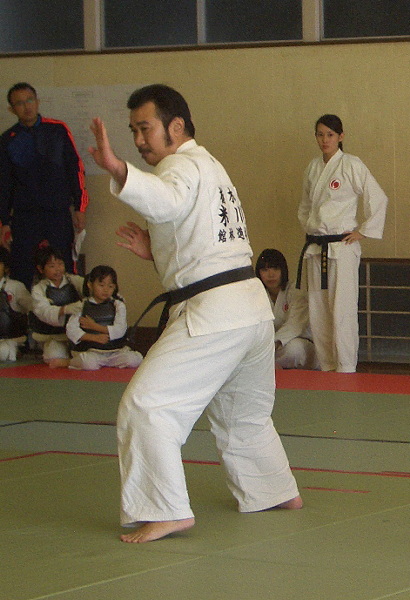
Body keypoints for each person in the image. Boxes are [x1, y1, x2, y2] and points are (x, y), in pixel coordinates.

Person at [88, 84, 301, 544]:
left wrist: (117, 168)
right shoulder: (210, 166)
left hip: (215, 313)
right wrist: (158, 252)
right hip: (250, 310)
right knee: (244, 414)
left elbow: (166, 201)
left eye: (145, 129)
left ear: (176, 126)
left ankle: (165, 509)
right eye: (133, 132)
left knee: (147, 405)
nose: (139, 140)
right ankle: (274, 490)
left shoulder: (180, 166)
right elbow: (198, 233)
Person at [297, 114, 388, 373]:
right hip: (316, 248)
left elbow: (378, 198)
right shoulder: (313, 168)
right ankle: (327, 365)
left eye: (330, 135)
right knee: (318, 310)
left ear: (341, 137)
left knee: (343, 310)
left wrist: (364, 231)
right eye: (320, 134)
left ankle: (346, 367)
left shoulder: (351, 165)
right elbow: (305, 207)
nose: (324, 140)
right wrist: (311, 229)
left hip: (342, 247)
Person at [0, 82, 89, 290]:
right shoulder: (7, 140)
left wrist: (80, 208)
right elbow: (3, 184)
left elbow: (75, 168)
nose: (27, 106)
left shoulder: (57, 130)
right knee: (22, 269)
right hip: (24, 216)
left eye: (30, 100)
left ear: (38, 102)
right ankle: (24, 320)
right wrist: (3, 222)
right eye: (20, 103)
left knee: (63, 267)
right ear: (12, 109)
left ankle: (68, 317)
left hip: (57, 212)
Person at [65, 264, 143, 370]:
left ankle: (107, 363)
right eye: (101, 285)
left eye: (110, 286)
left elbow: (120, 330)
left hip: (115, 351)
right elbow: (71, 330)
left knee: (135, 359)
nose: (106, 290)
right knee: (88, 363)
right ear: (90, 285)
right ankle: (68, 362)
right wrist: (93, 337)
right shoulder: (82, 305)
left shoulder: (118, 305)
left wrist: (94, 326)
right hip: (91, 350)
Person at [256, 248, 318, 370]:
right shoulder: (257, 294)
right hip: (269, 347)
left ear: (283, 271)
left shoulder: (296, 290)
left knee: (293, 350)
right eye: (265, 270)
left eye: (275, 269)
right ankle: (269, 365)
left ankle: (266, 365)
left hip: (297, 342)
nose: (271, 274)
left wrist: (272, 344)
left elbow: (295, 325)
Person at [29, 244, 84, 367]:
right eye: (52, 266)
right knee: (53, 356)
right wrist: (64, 309)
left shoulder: (74, 281)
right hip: (53, 334)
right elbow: (43, 311)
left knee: (85, 355)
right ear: (40, 268)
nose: (58, 269)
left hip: (76, 332)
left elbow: (90, 288)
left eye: (60, 264)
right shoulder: (39, 289)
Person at [0, 246, 32, 361]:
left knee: (2, 352)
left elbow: (32, 308)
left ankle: (15, 351)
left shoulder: (15, 286)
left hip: (10, 338)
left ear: (6, 268)